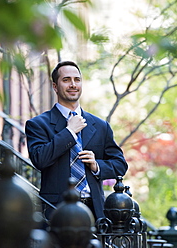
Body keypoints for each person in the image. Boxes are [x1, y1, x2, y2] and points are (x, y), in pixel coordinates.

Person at [25, 60, 128, 221]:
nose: (73, 84)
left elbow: (120, 165)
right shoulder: (38, 124)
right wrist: (69, 132)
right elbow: (40, 159)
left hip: (95, 211)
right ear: (55, 86)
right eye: (66, 80)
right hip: (56, 211)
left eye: (77, 79)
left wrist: (97, 165)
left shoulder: (100, 126)